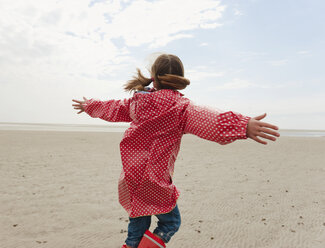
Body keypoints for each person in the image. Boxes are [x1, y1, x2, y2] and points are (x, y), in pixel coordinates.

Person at [72, 54, 280, 248]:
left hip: (132, 177)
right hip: (155, 180)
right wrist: (242, 126)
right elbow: (210, 120)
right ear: (178, 79)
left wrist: (89, 105)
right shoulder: (181, 108)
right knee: (171, 223)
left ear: (153, 78)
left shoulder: (136, 103)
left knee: (137, 229)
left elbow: (111, 108)